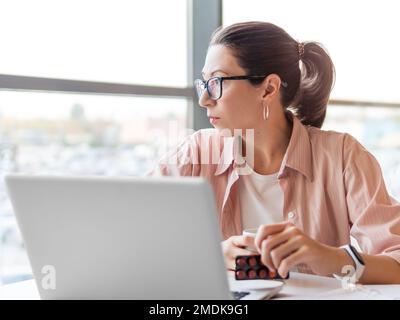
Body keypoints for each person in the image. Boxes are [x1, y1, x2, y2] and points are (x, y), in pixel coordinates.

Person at [151, 21, 400, 284]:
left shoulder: (343, 157)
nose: (204, 99)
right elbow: (135, 236)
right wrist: (209, 255)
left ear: (269, 88)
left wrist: (330, 257)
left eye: (217, 82)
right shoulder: (196, 154)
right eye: (205, 83)